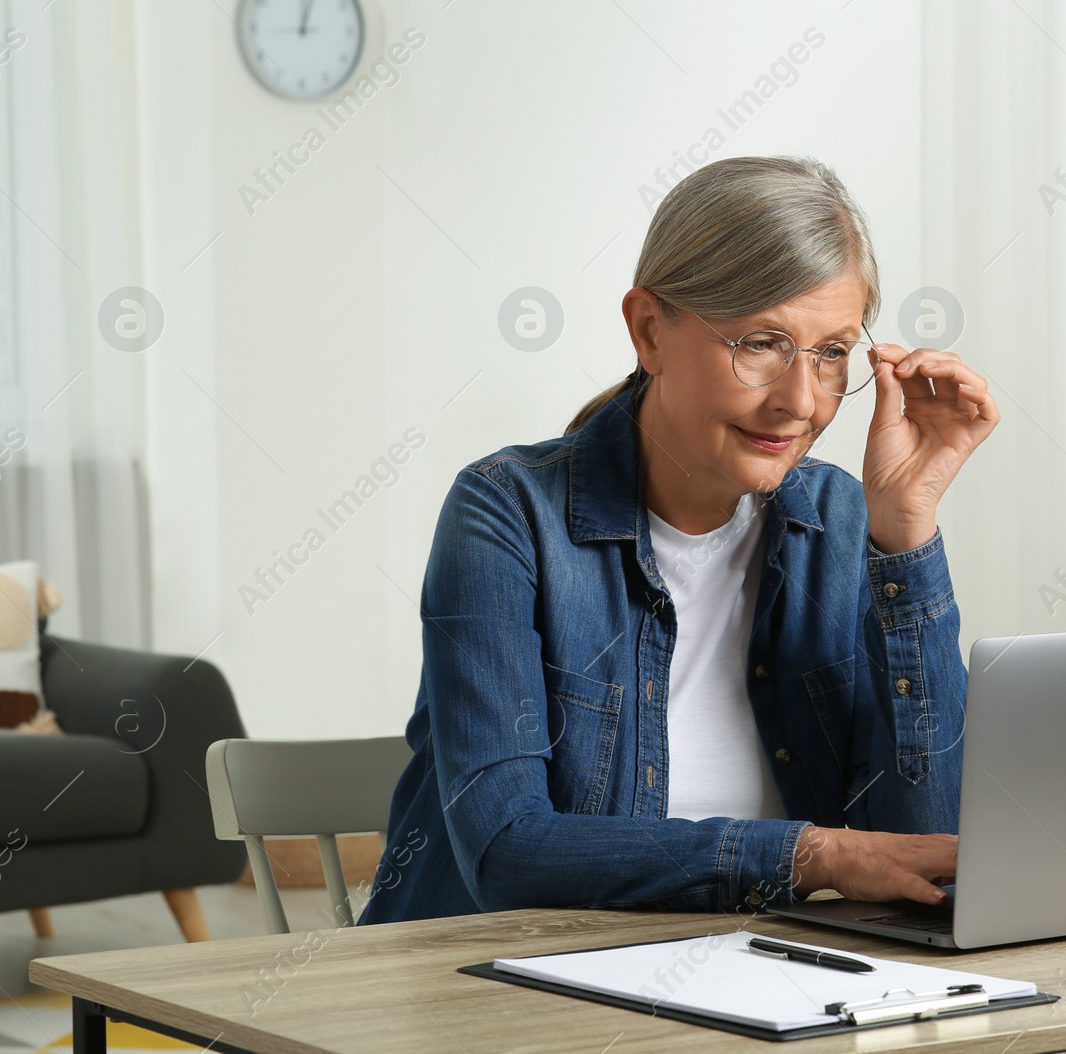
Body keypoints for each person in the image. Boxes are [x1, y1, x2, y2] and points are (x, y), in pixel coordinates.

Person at [357, 155, 1000, 925]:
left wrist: (905, 538)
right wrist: (811, 855)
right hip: (505, 994)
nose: (800, 401)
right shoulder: (504, 514)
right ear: (649, 330)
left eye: (831, 353)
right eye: (761, 343)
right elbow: (506, 850)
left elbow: (929, 848)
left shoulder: (842, 519)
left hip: (750, 980)